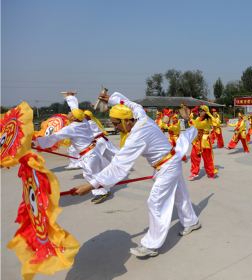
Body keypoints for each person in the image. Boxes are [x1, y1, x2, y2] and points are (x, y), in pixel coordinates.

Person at [73, 91, 201, 258]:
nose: (115, 127)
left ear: (127, 121)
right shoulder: (140, 117)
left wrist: (92, 184)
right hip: (169, 162)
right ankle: (191, 221)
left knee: (155, 202)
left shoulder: (137, 135)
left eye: (116, 123)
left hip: (168, 166)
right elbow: (133, 105)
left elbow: (118, 165)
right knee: (180, 194)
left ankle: (151, 245)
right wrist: (111, 99)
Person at [34, 94, 112, 204]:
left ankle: (102, 192)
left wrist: (37, 142)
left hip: (89, 155)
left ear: (74, 118)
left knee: (91, 174)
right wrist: (70, 97)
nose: (69, 113)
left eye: (70, 113)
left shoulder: (71, 128)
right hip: (93, 151)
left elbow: (55, 137)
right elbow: (75, 109)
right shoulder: (84, 121)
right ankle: (102, 189)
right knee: (94, 173)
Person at [189, 105, 218, 180]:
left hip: (205, 140)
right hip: (197, 140)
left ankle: (211, 172)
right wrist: (190, 119)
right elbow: (193, 125)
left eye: (202, 111)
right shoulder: (198, 118)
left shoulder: (208, 120)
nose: (200, 112)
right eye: (200, 111)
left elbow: (198, 125)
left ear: (206, 112)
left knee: (207, 158)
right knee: (194, 155)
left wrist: (192, 120)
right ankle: (194, 172)